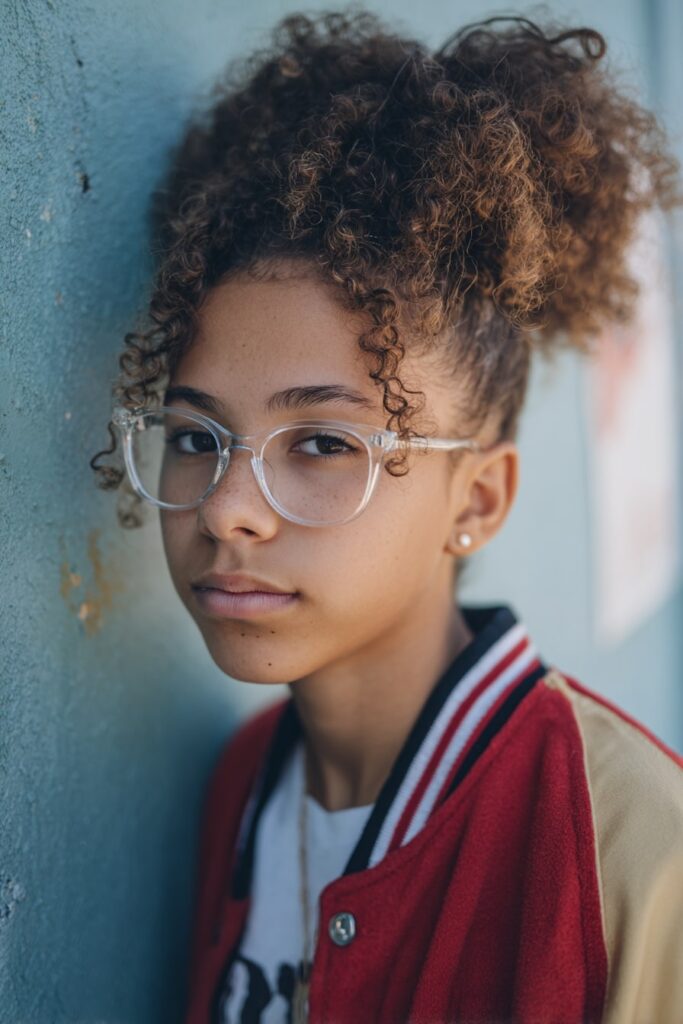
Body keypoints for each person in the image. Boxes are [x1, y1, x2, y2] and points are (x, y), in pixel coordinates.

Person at [90, 9, 683, 1023]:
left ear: (479, 497)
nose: (228, 509)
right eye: (195, 436)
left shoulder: (628, 844)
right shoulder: (242, 789)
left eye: (322, 444)